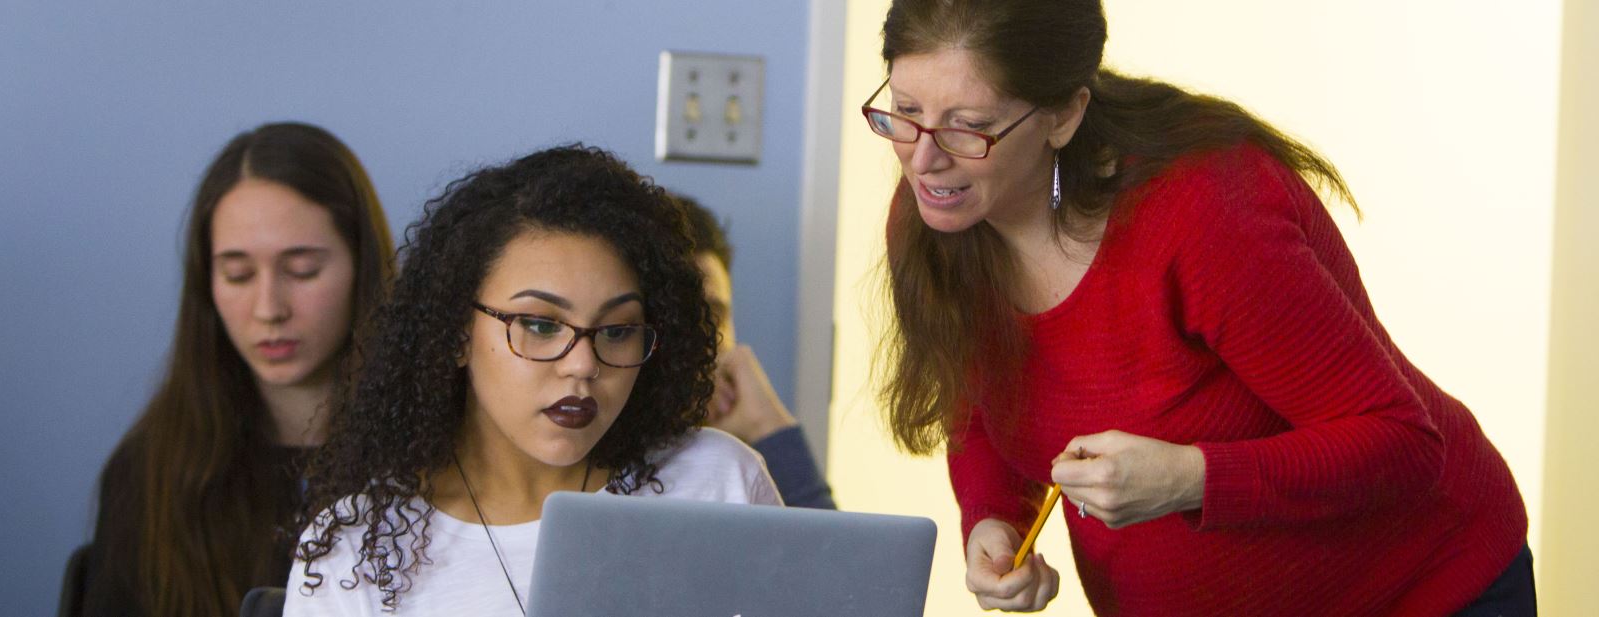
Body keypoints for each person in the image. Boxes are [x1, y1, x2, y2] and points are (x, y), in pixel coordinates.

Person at [867, 1, 1532, 615]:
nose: (923, 159)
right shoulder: (942, 211)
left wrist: (1192, 478)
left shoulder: (1203, 211)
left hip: (1420, 587)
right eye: (904, 110)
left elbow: (1404, 443)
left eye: (969, 127)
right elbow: (980, 393)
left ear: (1063, 116)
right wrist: (992, 518)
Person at [286, 145, 781, 616]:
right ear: (456, 333)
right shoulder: (356, 553)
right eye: (541, 325)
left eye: (617, 331)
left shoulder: (716, 484)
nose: (583, 364)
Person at [78, 122, 394, 617]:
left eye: (303, 270)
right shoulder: (150, 471)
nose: (269, 309)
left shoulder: (442, 459)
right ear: (207, 283)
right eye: (238, 274)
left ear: (362, 265)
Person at [674, 193, 837, 509]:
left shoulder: (744, 467)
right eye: (678, 317)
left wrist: (766, 424)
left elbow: (830, 542)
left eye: (715, 316)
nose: (700, 343)